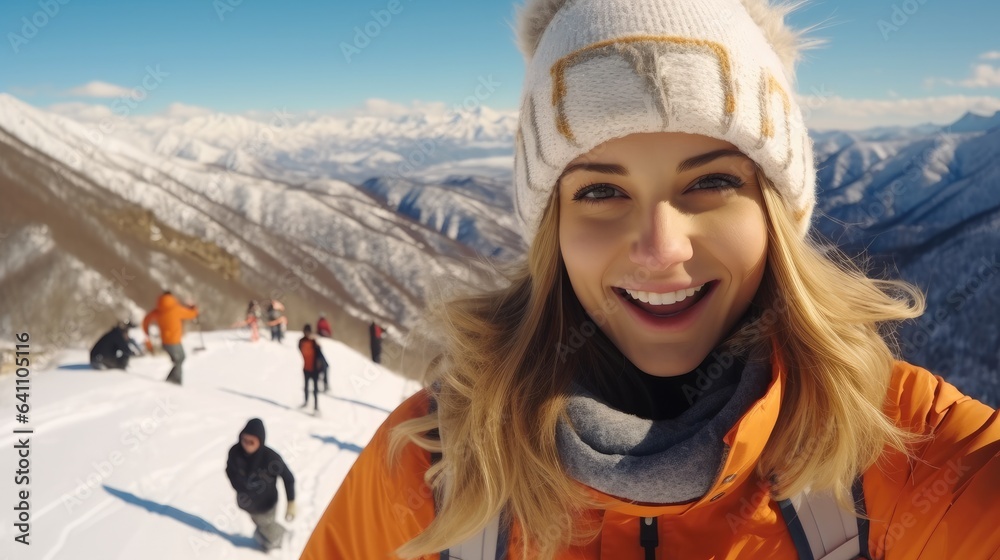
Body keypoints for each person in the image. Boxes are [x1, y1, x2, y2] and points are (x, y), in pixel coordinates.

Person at [302, 1, 1000, 559]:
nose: (661, 250)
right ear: (551, 229)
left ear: (775, 214)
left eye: (713, 182)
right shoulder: (431, 471)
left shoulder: (905, 451)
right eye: (601, 192)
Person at [225, 418, 296, 551]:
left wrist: (291, 502)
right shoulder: (235, 452)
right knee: (260, 523)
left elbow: (288, 477)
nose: (247, 445)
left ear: (260, 441)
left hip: (267, 504)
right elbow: (230, 471)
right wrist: (239, 487)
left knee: (267, 525)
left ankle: (282, 540)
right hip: (247, 504)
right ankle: (268, 538)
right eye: (244, 440)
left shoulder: (270, 458)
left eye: (251, 442)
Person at [141, 291, 198, 385]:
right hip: (175, 341)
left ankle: (172, 380)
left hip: (165, 341)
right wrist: (194, 308)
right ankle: (174, 382)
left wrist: (146, 332)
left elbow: (146, 320)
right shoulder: (176, 309)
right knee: (179, 360)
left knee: (180, 359)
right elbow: (192, 314)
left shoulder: (158, 310)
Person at [298, 324, 329, 412]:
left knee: (315, 389)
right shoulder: (302, 341)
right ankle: (306, 402)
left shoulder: (314, 342)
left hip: (314, 369)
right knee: (306, 387)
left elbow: (320, 355)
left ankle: (315, 406)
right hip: (306, 368)